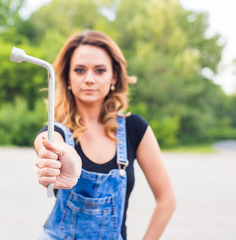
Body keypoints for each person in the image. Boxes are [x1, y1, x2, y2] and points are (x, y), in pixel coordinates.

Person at [34, 30, 175, 240]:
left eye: (99, 70)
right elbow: (48, 143)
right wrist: (63, 156)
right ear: (68, 78)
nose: (89, 79)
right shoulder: (58, 131)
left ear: (114, 77)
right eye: (80, 70)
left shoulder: (134, 128)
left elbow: (167, 199)